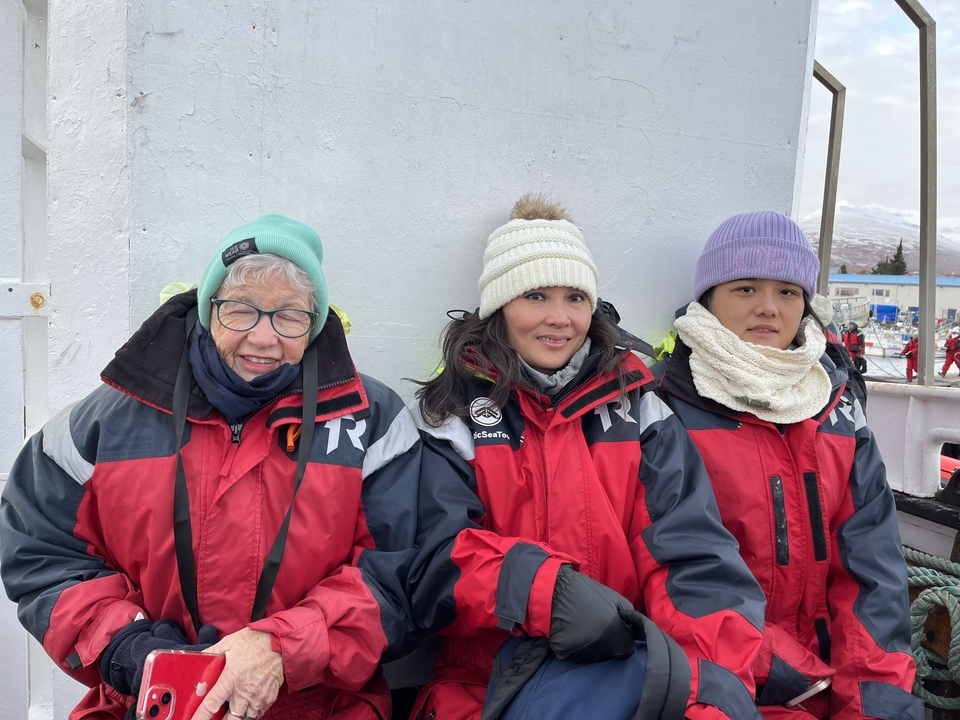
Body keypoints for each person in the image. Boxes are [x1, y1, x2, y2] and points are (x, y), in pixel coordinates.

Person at [1, 214, 488, 720]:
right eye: (242, 311)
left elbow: (404, 573)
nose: (263, 338)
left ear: (317, 323)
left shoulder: (374, 424)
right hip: (150, 704)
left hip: (320, 707)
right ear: (209, 309)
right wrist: (129, 649)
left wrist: (281, 649)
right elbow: (43, 555)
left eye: (290, 316)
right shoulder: (107, 421)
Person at [409, 195, 767, 720]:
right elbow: (428, 560)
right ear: (500, 305)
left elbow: (694, 560)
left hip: (624, 675)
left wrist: (703, 690)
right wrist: (543, 592)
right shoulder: (449, 414)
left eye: (576, 297)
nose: (560, 319)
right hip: (482, 685)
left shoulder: (640, 409)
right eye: (536, 295)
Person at [654, 211, 922, 719]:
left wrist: (874, 701)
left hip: (828, 681)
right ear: (708, 299)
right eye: (746, 288)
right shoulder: (664, 409)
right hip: (720, 680)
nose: (769, 309)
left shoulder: (838, 410)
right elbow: (674, 575)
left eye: (788, 292)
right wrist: (790, 675)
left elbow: (872, 575)